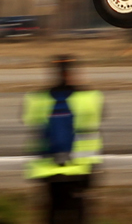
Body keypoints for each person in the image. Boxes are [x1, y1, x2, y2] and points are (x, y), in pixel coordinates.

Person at [22, 56, 104, 224]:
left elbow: (27, 120)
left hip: (48, 169)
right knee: (79, 213)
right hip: (80, 168)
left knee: (52, 212)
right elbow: (100, 115)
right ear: (73, 74)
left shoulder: (36, 99)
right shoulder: (91, 98)